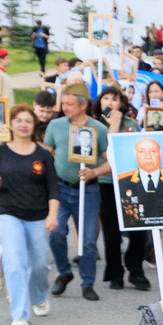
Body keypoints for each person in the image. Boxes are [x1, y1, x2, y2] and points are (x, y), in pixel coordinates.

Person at [0, 104, 58, 325]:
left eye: (28, 120)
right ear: (10, 124)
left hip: (37, 216)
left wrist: (52, 215)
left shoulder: (43, 155)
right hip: (9, 214)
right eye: (18, 120)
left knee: (39, 264)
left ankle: (38, 296)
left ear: (34, 124)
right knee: (15, 262)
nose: (23, 125)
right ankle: (19, 313)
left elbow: (53, 189)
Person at [43, 84, 107, 300]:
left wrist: (95, 171)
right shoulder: (55, 125)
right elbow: (46, 154)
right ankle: (64, 272)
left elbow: (112, 162)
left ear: (83, 105)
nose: (64, 107)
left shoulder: (99, 129)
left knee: (88, 240)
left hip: (87, 190)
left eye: (69, 104)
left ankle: (88, 283)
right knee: (56, 233)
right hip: (60, 188)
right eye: (63, 103)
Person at [115, 134, 163, 227]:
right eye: (142, 152)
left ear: (160, 155)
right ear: (135, 155)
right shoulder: (122, 183)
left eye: (153, 151)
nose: (148, 156)